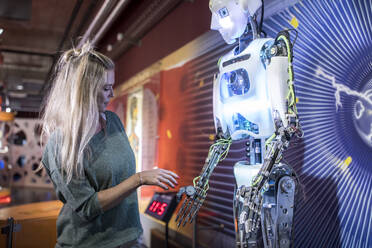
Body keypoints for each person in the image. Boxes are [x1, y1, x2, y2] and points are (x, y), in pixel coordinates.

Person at [41, 43, 179, 248]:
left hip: (130, 239)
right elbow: (87, 206)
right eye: (106, 88)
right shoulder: (61, 143)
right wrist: (139, 179)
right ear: (84, 91)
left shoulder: (113, 121)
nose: (112, 94)